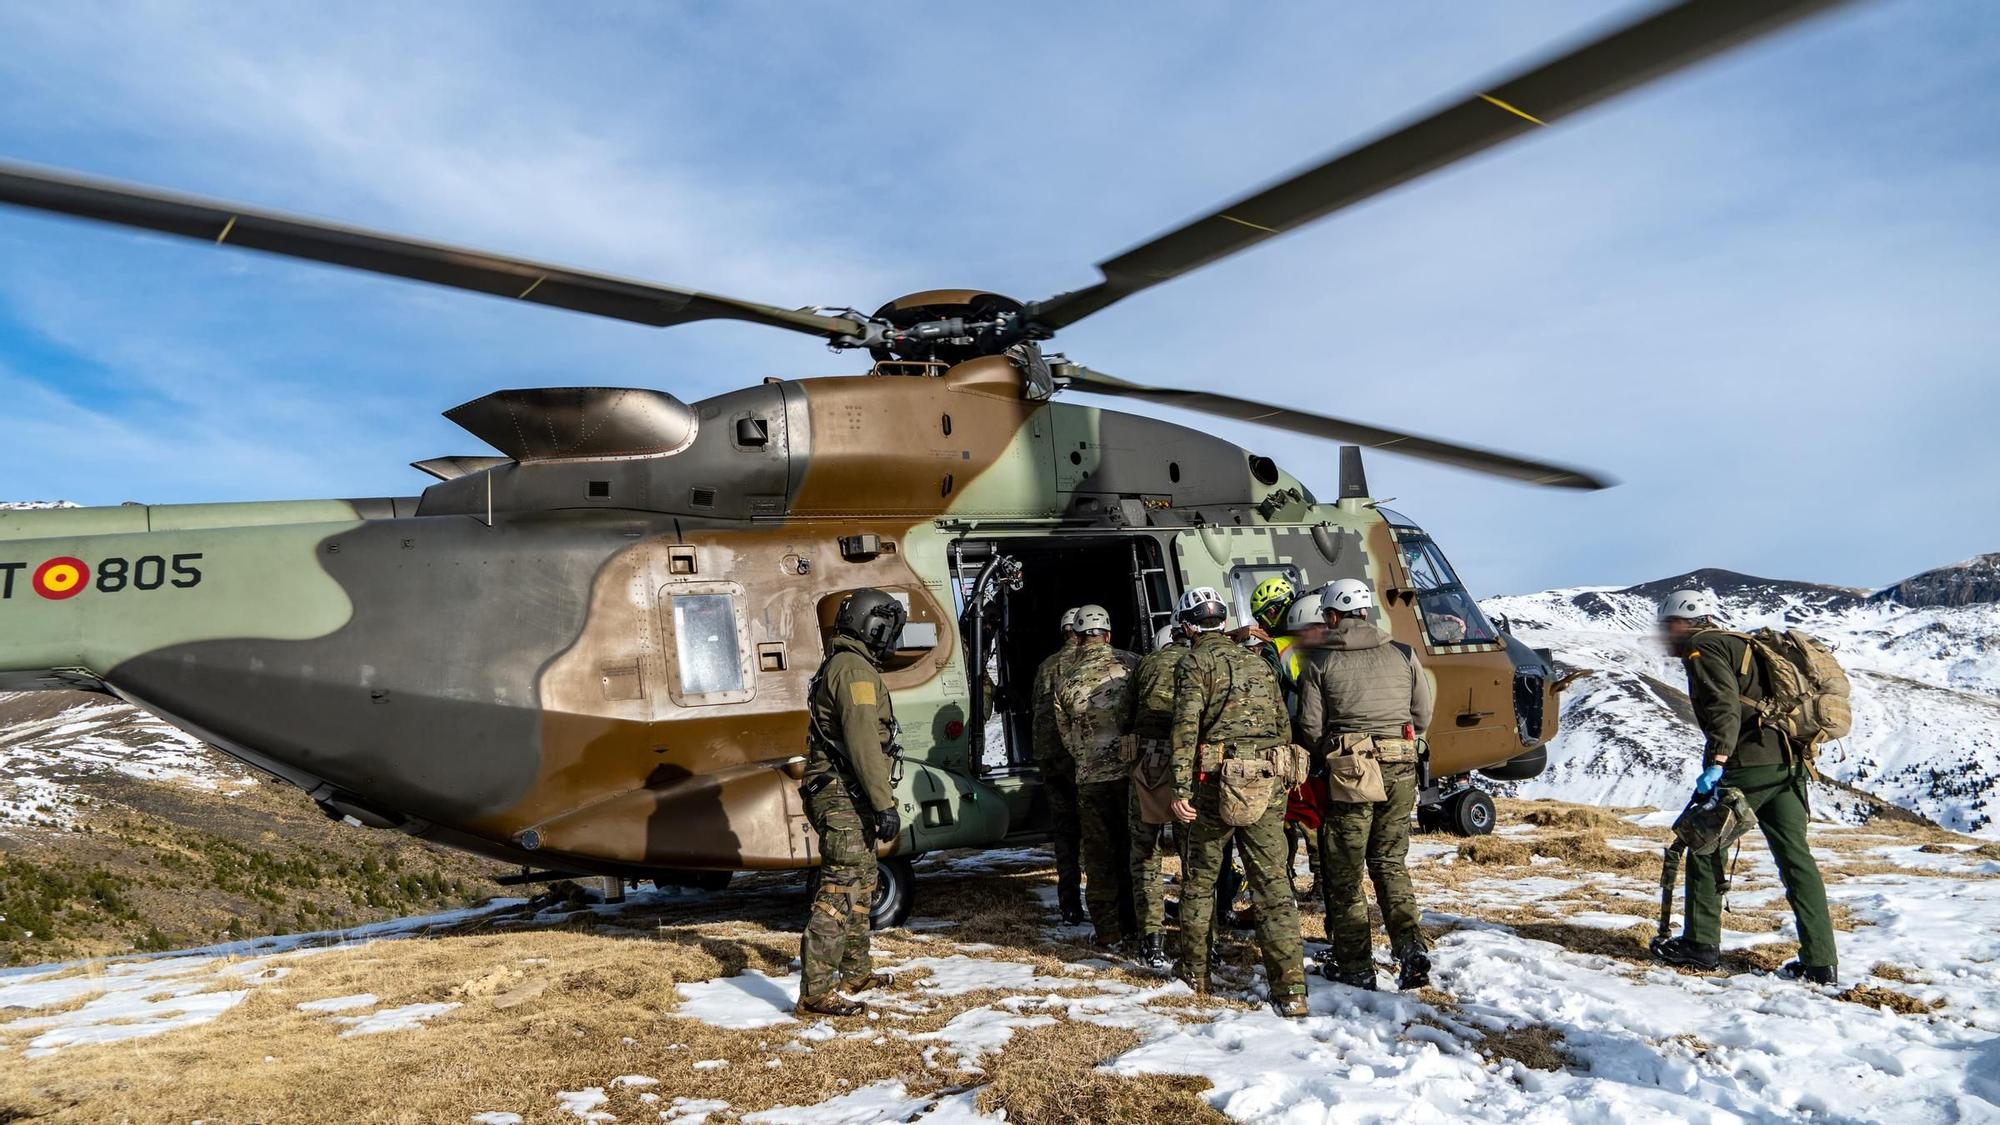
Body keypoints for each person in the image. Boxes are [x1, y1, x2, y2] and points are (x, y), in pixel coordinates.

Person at [1651, 590, 1838, 983]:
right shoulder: (1740, 643)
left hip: (1747, 764)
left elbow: (1723, 706)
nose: (1664, 635)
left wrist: (1718, 761)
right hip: (1789, 762)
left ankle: (1700, 945)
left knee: (1704, 845)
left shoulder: (1702, 648)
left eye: (1666, 627)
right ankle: (1821, 963)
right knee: (1796, 861)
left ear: (1681, 622)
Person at [1169, 586, 1310, 1018]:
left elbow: (1185, 728)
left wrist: (1179, 789)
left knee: (1201, 878)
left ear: (1189, 624)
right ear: (1223, 621)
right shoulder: (1257, 660)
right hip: (1267, 781)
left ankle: (1195, 973)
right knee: (1273, 886)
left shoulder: (1195, 662)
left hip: (1216, 784)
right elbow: (1280, 724)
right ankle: (1292, 992)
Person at [1296, 577, 1433, 992]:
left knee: (1345, 871)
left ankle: (1355, 964)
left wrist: (1328, 754)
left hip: (1351, 771)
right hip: (1401, 766)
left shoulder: (1319, 662)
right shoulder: (1403, 653)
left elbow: (1309, 727)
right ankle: (1411, 948)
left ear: (1333, 615)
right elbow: (1422, 715)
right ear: (1366, 611)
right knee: (1390, 862)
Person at [797, 588, 908, 1017]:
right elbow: (863, 742)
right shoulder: (854, 671)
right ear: (873, 626)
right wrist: (885, 804)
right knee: (841, 888)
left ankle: (854, 971)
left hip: (845, 790)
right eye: (888, 628)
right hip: (843, 792)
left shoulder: (846, 664)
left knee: (862, 882)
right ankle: (815, 992)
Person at [1054, 605, 1140, 949]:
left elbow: (1067, 738)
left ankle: (1109, 930)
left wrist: (1089, 760)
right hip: (1130, 776)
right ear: (1108, 633)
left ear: (1078, 636)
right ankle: (1141, 924)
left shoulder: (1066, 680)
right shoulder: (1131, 666)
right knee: (1134, 849)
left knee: (1099, 855)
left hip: (1091, 780)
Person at [1123, 621, 1190, 971]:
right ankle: (1200, 938)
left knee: (1146, 854)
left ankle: (1152, 939)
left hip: (1149, 763)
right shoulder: (1201, 661)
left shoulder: (1146, 665)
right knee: (1195, 857)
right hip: (1192, 762)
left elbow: (1126, 714)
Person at [1032, 607, 1086, 924]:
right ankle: (1104, 903)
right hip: (1083, 762)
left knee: (1065, 836)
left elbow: (1038, 714)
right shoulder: (1089, 665)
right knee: (1096, 835)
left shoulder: (1045, 666)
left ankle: (1069, 904)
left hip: (1052, 762)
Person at [1275, 593, 1329, 896]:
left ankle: (1287, 880)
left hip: (1296, 741)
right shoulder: (1334, 652)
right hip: (1315, 745)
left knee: (1293, 815)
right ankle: (1319, 881)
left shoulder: (1283, 651)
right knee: (1310, 816)